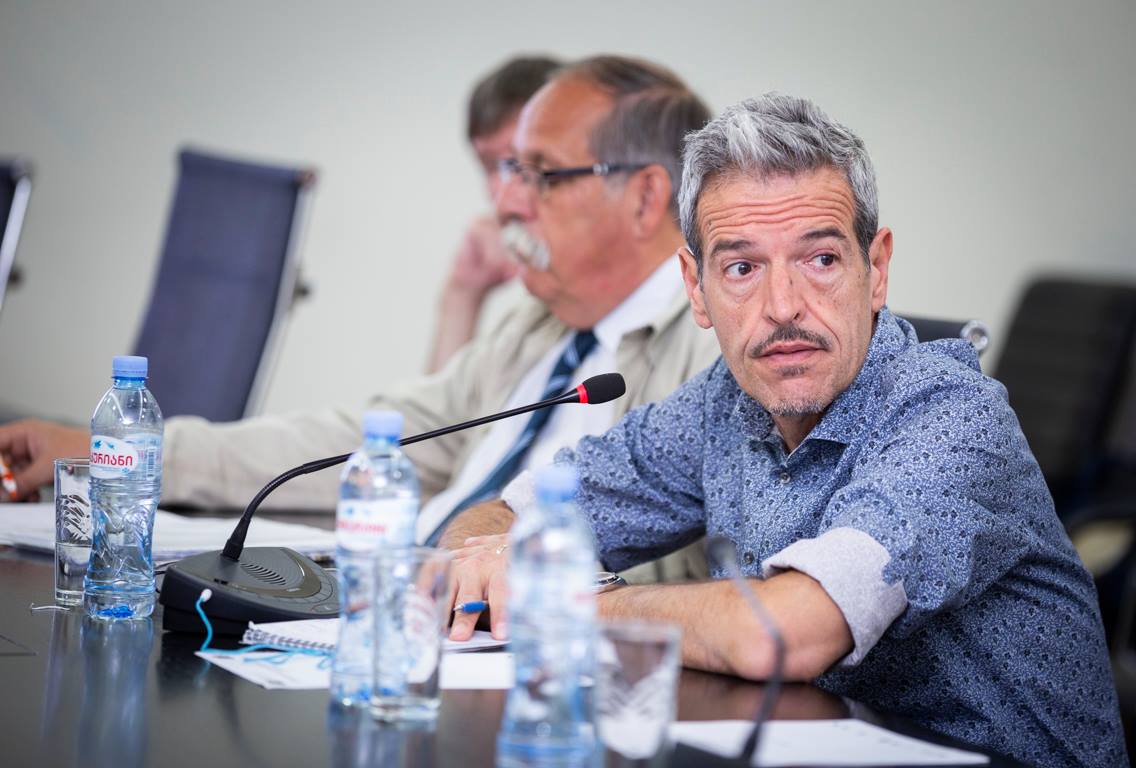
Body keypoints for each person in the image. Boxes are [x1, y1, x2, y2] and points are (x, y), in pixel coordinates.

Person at [440, 94, 1126, 767]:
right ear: (697, 287)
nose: (783, 307)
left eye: (820, 260)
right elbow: (514, 510)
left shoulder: (951, 417)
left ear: (876, 269)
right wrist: (486, 556)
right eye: (742, 268)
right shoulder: (726, 398)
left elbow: (777, 634)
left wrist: (565, 595)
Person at [0, 56, 720, 581]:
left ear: (645, 198)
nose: (506, 202)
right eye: (507, 173)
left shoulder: (711, 354)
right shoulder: (540, 326)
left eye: (541, 175)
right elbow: (360, 442)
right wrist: (135, 452)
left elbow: (683, 572)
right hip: (388, 606)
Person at [426, 54, 561, 374]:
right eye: (490, 167)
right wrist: (463, 293)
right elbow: (444, 406)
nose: (503, 195)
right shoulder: (525, 326)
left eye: (516, 163)